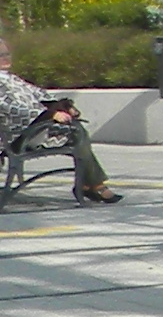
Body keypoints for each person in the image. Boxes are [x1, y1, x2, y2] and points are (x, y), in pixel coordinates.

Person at [0, 32, 118, 202]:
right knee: (77, 133)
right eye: (1, 55)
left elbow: (41, 94)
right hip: (17, 135)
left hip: (34, 129)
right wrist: (51, 114)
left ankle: (91, 185)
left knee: (76, 130)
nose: (5, 58)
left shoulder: (11, 78)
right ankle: (92, 185)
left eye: (7, 53)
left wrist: (64, 107)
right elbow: (10, 107)